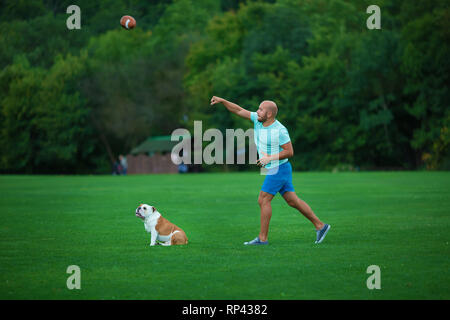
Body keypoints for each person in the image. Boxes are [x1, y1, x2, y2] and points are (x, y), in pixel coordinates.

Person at [210, 96, 331, 245]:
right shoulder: (258, 120)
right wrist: (223, 101)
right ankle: (321, 226)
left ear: (269, 114)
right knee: (293, 201)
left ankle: (262, 239)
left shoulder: (279, 130)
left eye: (261, 109)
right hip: (279, 168)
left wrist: (270, 158)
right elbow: (239, 110)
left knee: (263, 199)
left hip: (279, 168)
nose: (257, 111)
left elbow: (290, 151)